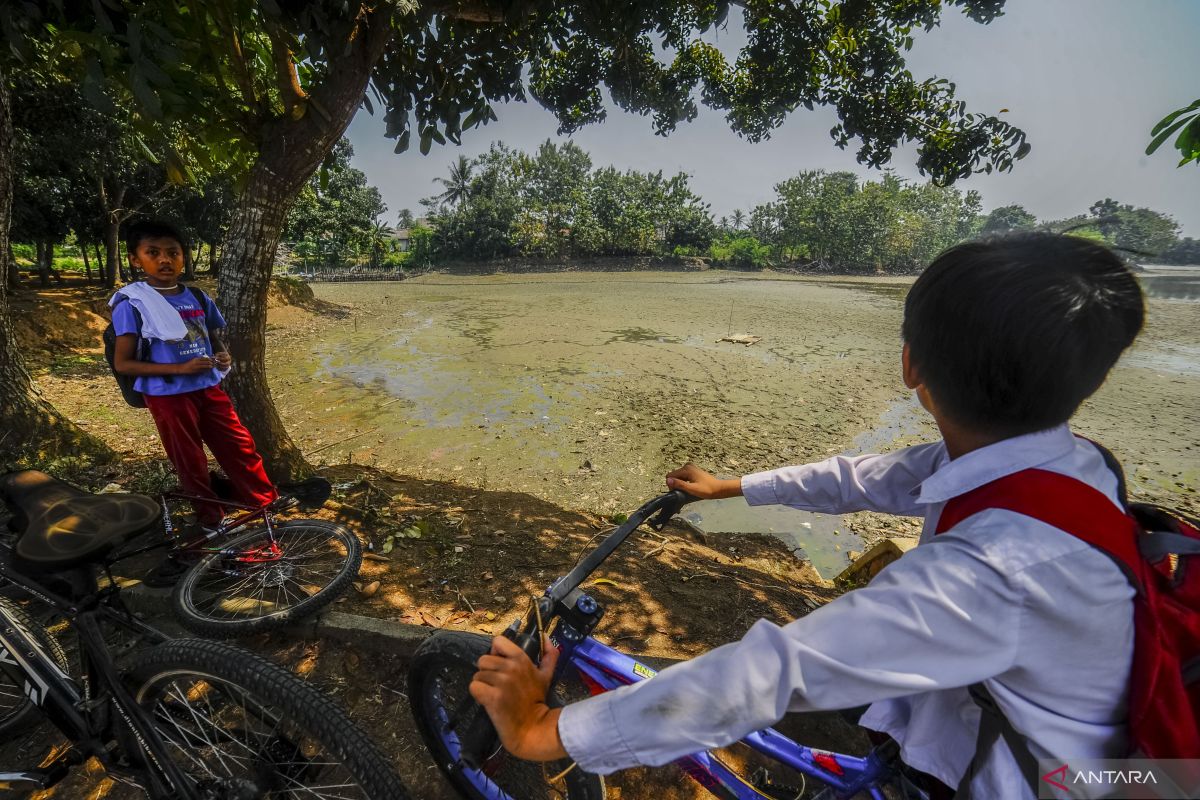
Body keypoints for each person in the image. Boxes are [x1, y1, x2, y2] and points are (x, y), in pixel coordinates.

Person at [468, 233, 1146, 798]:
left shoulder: (994, 571)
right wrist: (730, 487)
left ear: (911, 366)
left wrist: (542, 732)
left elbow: (770, 673)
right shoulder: (1064, 465)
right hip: (1034, 725)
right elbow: (861, 477)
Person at [110, 220, 277, 577]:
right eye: (152, 253)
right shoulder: (132, 303)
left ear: (183, 257)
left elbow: (211, 337)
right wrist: (181, 369)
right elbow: (124, 362)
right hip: (168, 396)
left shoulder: (197, 296)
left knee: (240, 446)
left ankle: (263, 509)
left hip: (208, 388)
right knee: (190, 461)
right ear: (136, 260)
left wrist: (223, 355)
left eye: (173, 252)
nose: (165, 260)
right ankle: (211, 524)